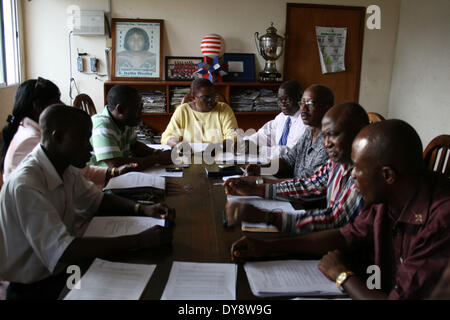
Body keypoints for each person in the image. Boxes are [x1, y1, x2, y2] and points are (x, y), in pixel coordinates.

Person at [231, 119, 450, 300]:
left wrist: (342, 275)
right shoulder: (390, 196)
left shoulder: (441, 221)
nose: (352, 175)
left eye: (358, 169)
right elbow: (345, 236)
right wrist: (268, 247)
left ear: (387, 175)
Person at [0, 105, 175, 300]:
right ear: (58, 138)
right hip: (38, 288)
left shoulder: (64, 167)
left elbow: (96, 201)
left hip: (64, 270)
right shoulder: (27, 185)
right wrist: (138, 240)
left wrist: (142, 209)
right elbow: (63, 250)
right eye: (83, 139)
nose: (90, 148)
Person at [224, 102, 369, 234]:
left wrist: (267, 217)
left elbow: (334, 220)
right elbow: (310, 185)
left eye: (334, 135)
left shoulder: (365, 174)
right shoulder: (338, 161)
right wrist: (255, 188)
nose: (326, 144)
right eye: (325, 136)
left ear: (360, 132)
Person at [1, 78, 134, 189]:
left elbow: (76, 172)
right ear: (38, 106)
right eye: (56, 101)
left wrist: (112, 172)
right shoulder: (31, 140)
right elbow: (75, 173)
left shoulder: (34, 132)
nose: (62, 105)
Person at [245, 84, 333, 179]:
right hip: (289, 186)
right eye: (302, 103)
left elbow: (306, 184)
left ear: (327, 108)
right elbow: (288, 160)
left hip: (299, 190)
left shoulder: (328, 143)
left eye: (310, 104)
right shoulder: (309, 133)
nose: (303, 108)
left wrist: (263, 186)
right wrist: (261, 168)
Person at [90, 84, 172, 169]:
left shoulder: (125, 121)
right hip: (100, 179)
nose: (141, 113)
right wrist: (156, 159)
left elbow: (135, 146)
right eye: (137, 109)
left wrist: (157, 153)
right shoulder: (102, 126)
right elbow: (116, 166)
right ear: (120, 109)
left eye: (141, 108)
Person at [161, 78, 238, 148]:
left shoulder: (224, 109)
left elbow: (233, 134)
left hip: (218, 153)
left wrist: (220, 146)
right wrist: (177, 145)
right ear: (193, 97)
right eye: (205, 97)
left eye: (213, 95)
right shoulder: (183, 110)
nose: (211, 100)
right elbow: (168, 136)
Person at [244, 80, 306, 159]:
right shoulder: (282, 117)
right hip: (277, 163)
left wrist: (260, 150)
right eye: (280, 100)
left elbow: (290, 152)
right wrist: (250, 142)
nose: (283, 104)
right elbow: (266, 134)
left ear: (299, 98)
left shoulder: (304, 122)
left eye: (287, 99)